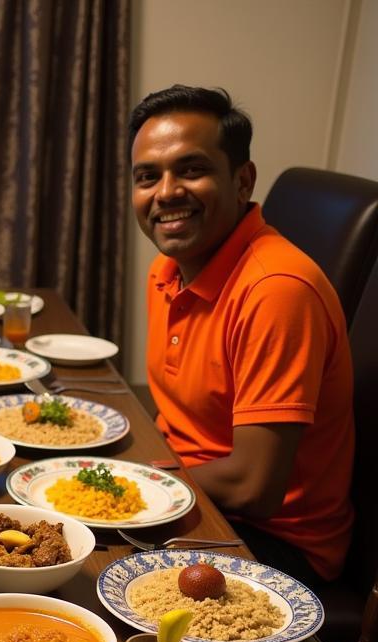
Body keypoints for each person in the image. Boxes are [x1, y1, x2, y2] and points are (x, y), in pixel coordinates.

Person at [129, 85, 354, 585]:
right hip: (186, 499)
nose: (166, 192)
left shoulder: (276, 290)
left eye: (191, 169)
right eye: (148, 176)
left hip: (271, 545)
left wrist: (135, 483)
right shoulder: (168, 268)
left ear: (242, 180)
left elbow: (255, 486)